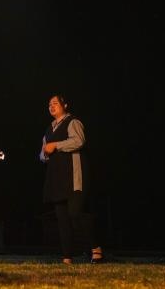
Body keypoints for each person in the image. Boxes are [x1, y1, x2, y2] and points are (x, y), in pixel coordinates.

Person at [40, 94, 103, 264]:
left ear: (65, 105)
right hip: (56, 179)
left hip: (73, 176)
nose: (51, 106)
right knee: (62, 219)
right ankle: (67, 256)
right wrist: (45, 153)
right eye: (49, 105)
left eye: (55, 103)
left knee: (75, 214)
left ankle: (96, 248)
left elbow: (79, 141)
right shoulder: (49, 128)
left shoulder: (72, 122)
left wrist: (56, 145)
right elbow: (43, 153)